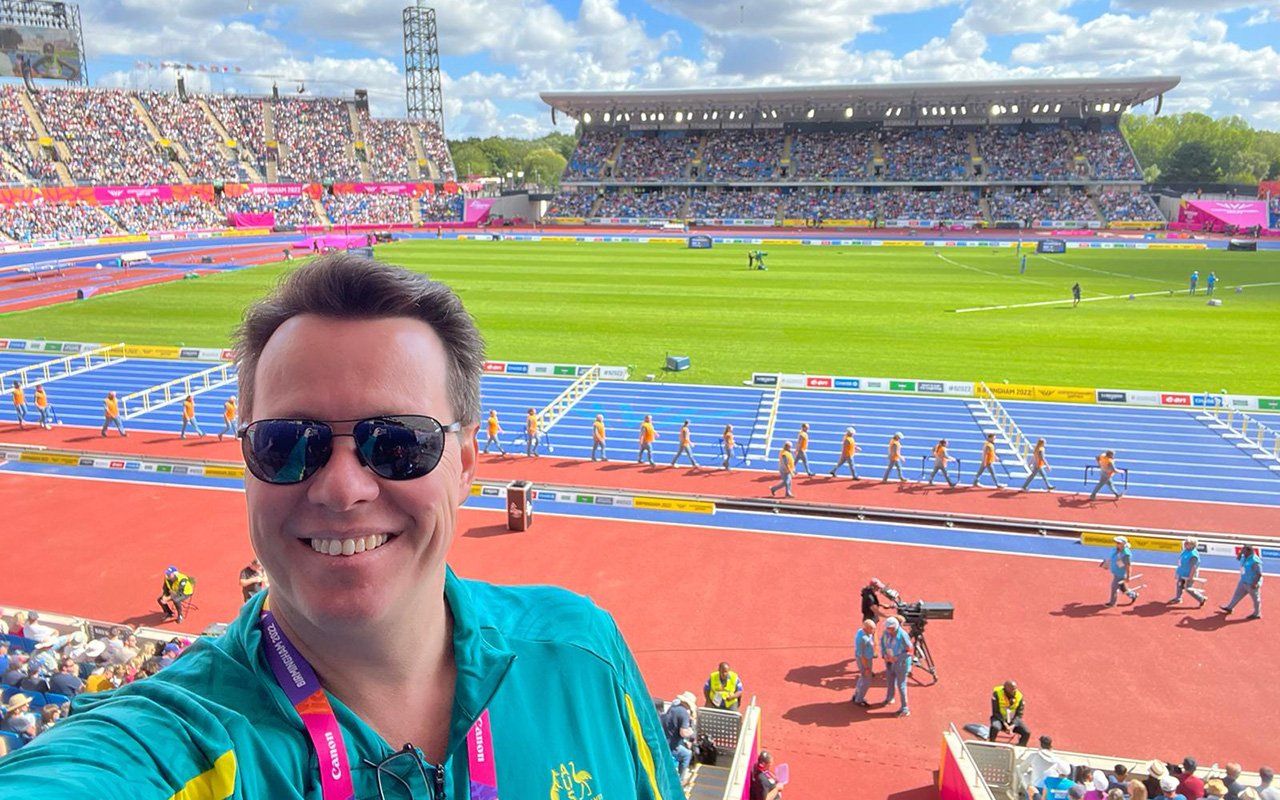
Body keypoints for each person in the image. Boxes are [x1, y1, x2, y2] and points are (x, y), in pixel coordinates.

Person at [0, 254, 682, 796]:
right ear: (246, 464)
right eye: (286, 443)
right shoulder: (179, 745)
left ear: (467, 463)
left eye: (400, 443)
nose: (342, 487)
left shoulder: (584, 652)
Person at [661, 691, 696, 784]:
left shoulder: (673, 708)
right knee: (686, 755)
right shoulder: (683, 713)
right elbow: (683, 733)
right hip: (670, 745)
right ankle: (681, 779)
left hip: (663, 740)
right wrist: (691, 731)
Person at [880, 616, 912, 717]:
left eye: (889, 628)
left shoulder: (903, 636)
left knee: (901, 686)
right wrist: (884, 654)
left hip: (900, 664)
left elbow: (910, 651)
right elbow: (882, 643)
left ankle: (904, 709)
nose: (886, 630)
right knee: (890, 680)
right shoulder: (886, 633)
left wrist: (897, 658)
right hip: (889, 661)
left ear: (894, 627)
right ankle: (890, 698)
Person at [1219, 544, 1263, 619]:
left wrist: (1254, 583)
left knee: (1256, 599)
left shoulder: (1255, 561)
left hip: (1251, 583)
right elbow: (1238, 558)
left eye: (1243, 549)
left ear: (1249, 551)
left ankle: (1257, 613)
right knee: (1237, 595)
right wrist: (1240, 553)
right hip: (1243, 581)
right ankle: (1229, 607)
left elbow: (1259, 574)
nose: (1241, 550)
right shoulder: (1243, 557)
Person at [989, 680, 1030, 746]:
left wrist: (1012, 725)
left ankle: (1020, 747)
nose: (1014, 692)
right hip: (999, 719)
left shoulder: (1019, 696)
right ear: (1006, 690)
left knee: (1026, 732)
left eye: (1015, 689)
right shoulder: (997, 694)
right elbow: (995, 712)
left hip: (1012, 721)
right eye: (1012, 690)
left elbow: (1019, 714)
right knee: (995, 727)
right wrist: (1004, 724)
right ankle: (991, 745)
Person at [1102, 536, 1139, 607]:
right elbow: (1113, 558)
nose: (1116, 544)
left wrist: (1128, 576)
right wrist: (1107, 564)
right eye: (1116, 542)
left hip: (1120, 574)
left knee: (1114, 587)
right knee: (1122, 587)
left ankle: (1112, 603)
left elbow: (1128, 566)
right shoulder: (1116, 549)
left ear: (1123, 544)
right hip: (1116, 571)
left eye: (1118, 543)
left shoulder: (1126, 555)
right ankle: (1133, 595)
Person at [1170, 539, 1207, 607]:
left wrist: (1191, 577)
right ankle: (1178, 598)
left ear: (1192, 545)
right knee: (1179, 585)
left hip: (1188, 574)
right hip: (1182, 571)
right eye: (1185, 543)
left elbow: (1194, 567)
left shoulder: (1193, 555)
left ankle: (1201, 598)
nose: (1185, 544)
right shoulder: (1186, 550)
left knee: (1188, 588)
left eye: (1187, 543)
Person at [852, 619, 876, 706]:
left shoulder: (861, 632)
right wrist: (866, 668)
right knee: (866, 680)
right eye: (872, 629)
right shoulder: (863, 639)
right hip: (865, 660)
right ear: (866, 629)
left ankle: (856, 694)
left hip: (862, 658)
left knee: (862, 677)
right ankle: (859, 699)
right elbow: (863, 656)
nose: (874, 631)